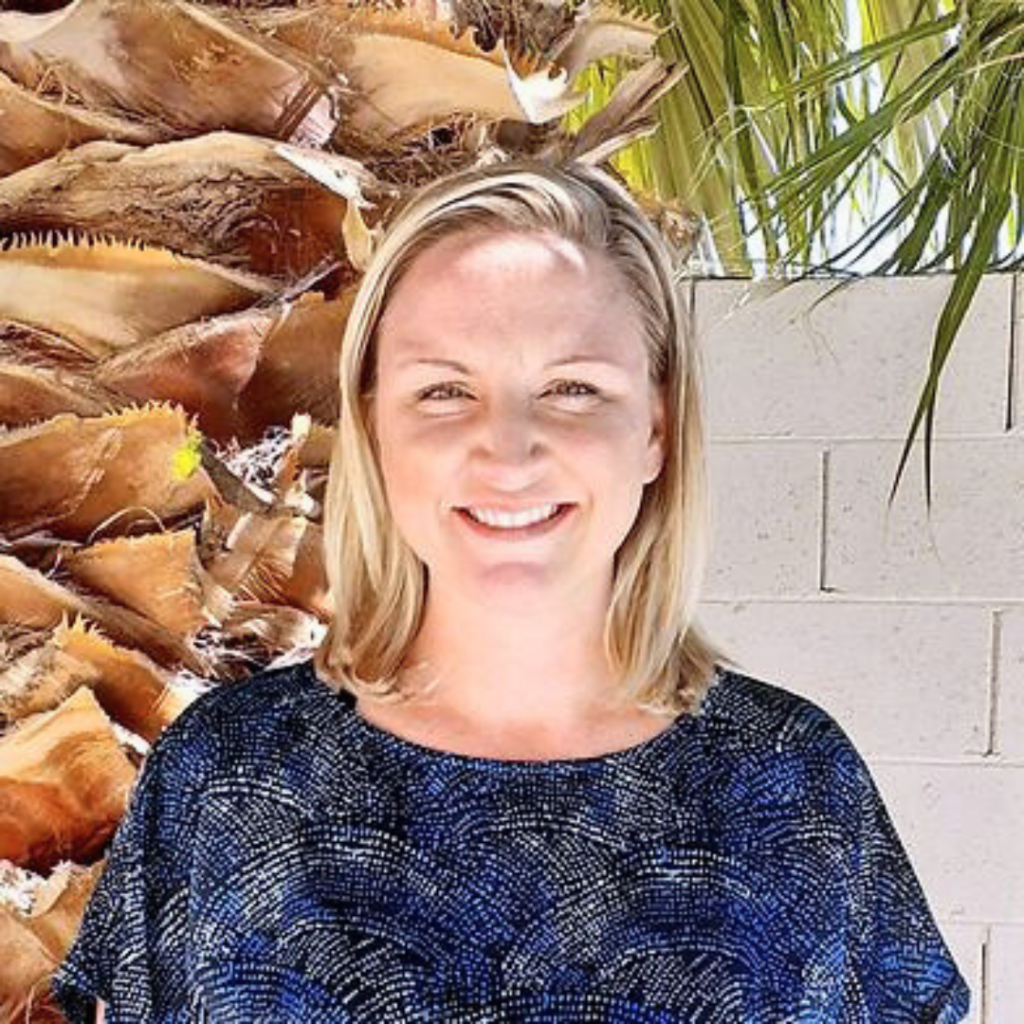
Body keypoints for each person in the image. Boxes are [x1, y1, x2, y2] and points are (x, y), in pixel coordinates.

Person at [50, 155, 970, 1023]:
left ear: (655, 426)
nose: (509, 449)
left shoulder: (792, 783)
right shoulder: (226, 779)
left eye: (571, 387)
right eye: (446, 392)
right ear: (374, 430)